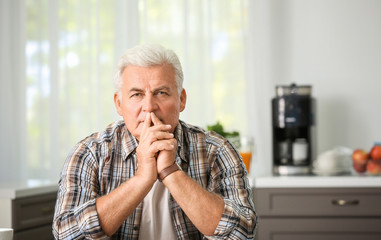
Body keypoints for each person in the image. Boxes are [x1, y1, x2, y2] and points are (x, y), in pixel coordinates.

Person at [52, 44, 257, 239]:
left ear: (181, 99)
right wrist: (142, 178)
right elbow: (66, 234)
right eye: (136, 94)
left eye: (161, 93)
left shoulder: (217, 150)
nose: (149, 107)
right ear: (119, 104)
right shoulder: (89, 153)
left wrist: (170, 172)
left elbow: (241, 232)